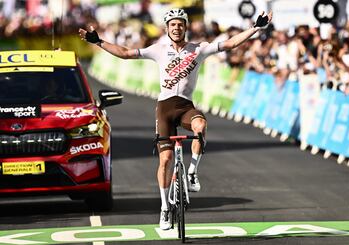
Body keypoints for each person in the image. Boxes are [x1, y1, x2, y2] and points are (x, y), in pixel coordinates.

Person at [79, 8, 272, 230]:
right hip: (164, 108)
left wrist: (255, 28)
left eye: (180, 24)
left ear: (185, 27)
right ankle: (163, 208)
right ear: (167, 28)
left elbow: (229, 44)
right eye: (173, 25)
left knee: (200, 125)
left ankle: (191, 173)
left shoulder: (198, 49)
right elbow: (125, 53)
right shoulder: (158, 50)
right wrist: (98, 41)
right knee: (166, 160)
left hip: (186, 106)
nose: (177, 28)